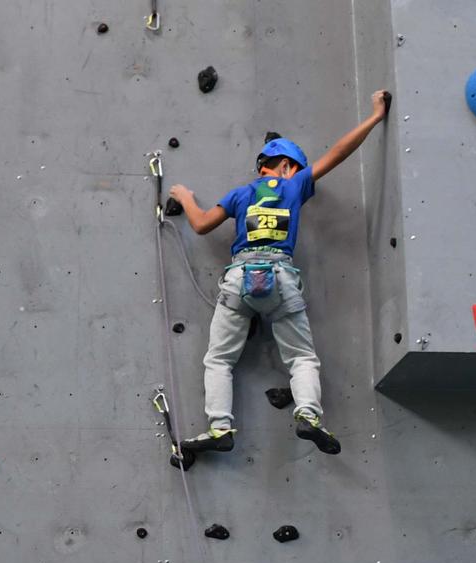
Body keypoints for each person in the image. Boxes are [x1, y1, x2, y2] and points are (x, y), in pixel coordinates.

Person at [165, 91, 393, 467]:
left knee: (219, 360)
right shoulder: (292, 186)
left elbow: (202, 224)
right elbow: (339, 152)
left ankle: (220, 429)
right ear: (288, 166)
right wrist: (374, 115)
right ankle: (307, 414)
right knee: (302, 357)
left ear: (264, 166)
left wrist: (184, 196)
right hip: (281, 276)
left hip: (240, 277)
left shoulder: (241, 194)